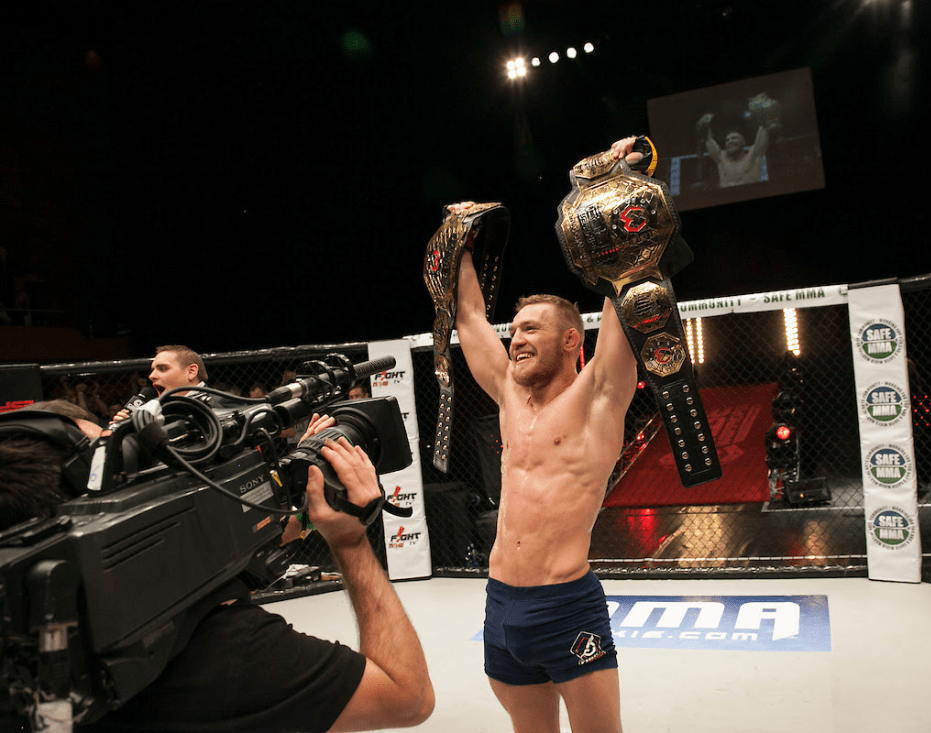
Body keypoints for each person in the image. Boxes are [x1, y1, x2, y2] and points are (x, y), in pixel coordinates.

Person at [0, 408, 435, 732]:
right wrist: (349, 540)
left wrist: (301, 494)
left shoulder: (28, 664)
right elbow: (407, 696)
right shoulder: (225, 654)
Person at [451, 138, 644, 733]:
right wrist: (458, 241)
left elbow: (624, 291)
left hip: (566, 606)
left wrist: (618, 184)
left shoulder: (598, 397)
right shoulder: (508, 395)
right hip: (500, 603)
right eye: (515, 330)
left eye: (532, 329)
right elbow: (469, 317)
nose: (516, 339)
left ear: (570, 341)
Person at [695, 112, 770, 187]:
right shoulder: (722, 159)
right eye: (727, 140)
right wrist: (705, 123)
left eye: (734, 138)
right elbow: (707, 138)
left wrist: (762, 114)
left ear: (743, 142)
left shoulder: (753, 157)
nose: (730, 141)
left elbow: (764, 128)